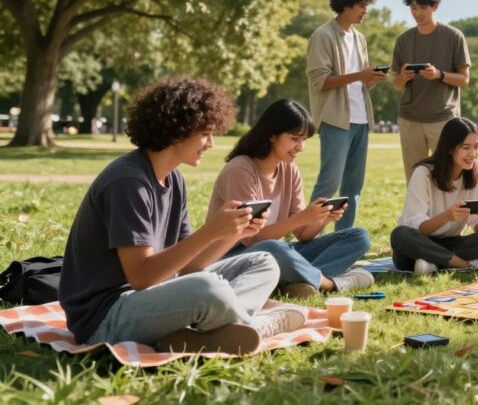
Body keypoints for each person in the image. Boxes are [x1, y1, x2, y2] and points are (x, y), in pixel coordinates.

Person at [59, 77, 303, 355]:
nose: (211, 143)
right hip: (106, 317)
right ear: (177, 129)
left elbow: (189, 266)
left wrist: (233, 232)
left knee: (264, 262)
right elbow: (140, 277)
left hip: (154, 293)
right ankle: (255, 326)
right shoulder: (128, 182)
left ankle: (208, 332)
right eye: (205, 133)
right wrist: (211, 231)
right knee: (206, 288)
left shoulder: (174, 179)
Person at [208, 99, 374, 299]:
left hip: (275, 253)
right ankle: (328, 284)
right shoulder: (241, 169)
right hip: (234, 257)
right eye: (294, 138)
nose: (300, 147)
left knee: (358, 237)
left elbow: (303, 234)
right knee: (275, 248)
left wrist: (321, 218)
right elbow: (252, 239)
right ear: (271, 135)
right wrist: (303, 217)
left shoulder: (289, 169)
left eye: (304, 140)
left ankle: (297, 281)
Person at [306, 0, 387, 229]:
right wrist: (359, 75)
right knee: (329, 184)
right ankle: (308, 237)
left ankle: (344, 239)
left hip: (361, 120)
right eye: (362, 5)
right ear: (346, 5)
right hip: (336, 120)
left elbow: (358, 83)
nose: (366, 11)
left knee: (353, 187)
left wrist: (370, 79)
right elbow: (319, 80)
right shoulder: (323, 35)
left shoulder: (359, 38)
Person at [390, 117, 478, 274]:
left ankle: (433, 263)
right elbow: (419, 229)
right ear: (450, 148)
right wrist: (447, 216)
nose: (472, 154)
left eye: (476, 147)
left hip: (453, 244)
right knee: (400, 235)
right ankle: (464, 265)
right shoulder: (423, 174)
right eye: (466, 148)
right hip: (420, 242)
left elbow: (477, 227)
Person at [390, 0, 471, 180]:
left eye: (422, 8)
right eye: (413, 8)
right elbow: (396, 84)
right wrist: (403, 77)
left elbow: (464, 79)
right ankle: (418, 212)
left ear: (435, 6)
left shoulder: (453, 36)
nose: (417, 13)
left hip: (443, 118)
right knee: (414, 177)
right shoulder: (403, 40)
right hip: (410, 118)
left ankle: (447, 212)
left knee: (447, 176)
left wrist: (439, 75)